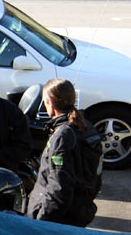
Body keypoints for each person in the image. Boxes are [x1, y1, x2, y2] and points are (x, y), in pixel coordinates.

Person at [27, 78, 103, 226]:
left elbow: (59, 188)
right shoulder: (86, 126)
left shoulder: (62, 136)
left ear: (50, 102)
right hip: (80, 211)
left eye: (44, 102)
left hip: (59, 219)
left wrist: (41, 220)